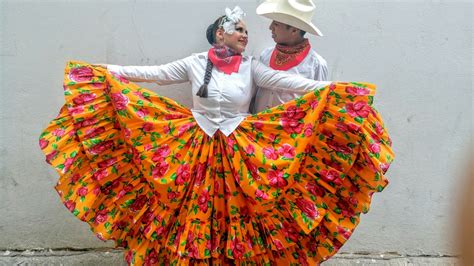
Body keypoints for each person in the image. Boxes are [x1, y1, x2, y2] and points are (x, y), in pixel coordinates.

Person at [39, 6, 394, 265]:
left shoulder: (254, 66)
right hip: (195, 145)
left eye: (246, 31)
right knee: (190, 207)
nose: (245, 34)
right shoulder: (195, 62)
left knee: (241, 209)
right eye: (238, 29)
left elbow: (292, 83)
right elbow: (152, 74)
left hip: (239, 147)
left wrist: (339, 90)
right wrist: (102, 71)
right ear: (220, 34)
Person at [253, 0, 328, 113]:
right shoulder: (266, 55)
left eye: (276, 24)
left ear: (294, 30)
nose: (270, 27)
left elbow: (318, 105)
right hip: (256, 126)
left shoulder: (316, 64)